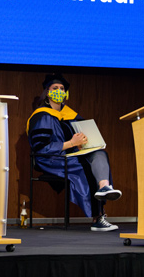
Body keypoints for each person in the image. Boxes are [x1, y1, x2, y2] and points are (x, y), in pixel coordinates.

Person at [26, 73, 122, 231]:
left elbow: (82, 140)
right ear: (47, 93)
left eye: (62, 88)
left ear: (66, 93)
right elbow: (40, 147)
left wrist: (85, 143)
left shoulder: (71, 115)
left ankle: (104, 187)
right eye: (55, 88)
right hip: (50, 158)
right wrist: (71, 143)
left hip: (70, 156)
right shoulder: (41, 116)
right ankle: (98, 217)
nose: (59, 91)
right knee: (84, 166)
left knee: (100, 154)